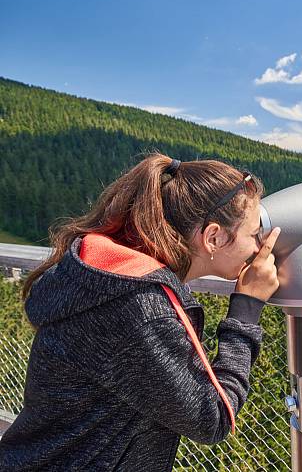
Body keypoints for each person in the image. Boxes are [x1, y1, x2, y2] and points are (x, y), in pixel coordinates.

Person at [0, 153, 281, 471]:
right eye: (254, 233)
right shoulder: (139, 306)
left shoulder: (104, 275)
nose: (260, 246)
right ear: (213, 237)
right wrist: (247, 307)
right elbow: (213, 416)